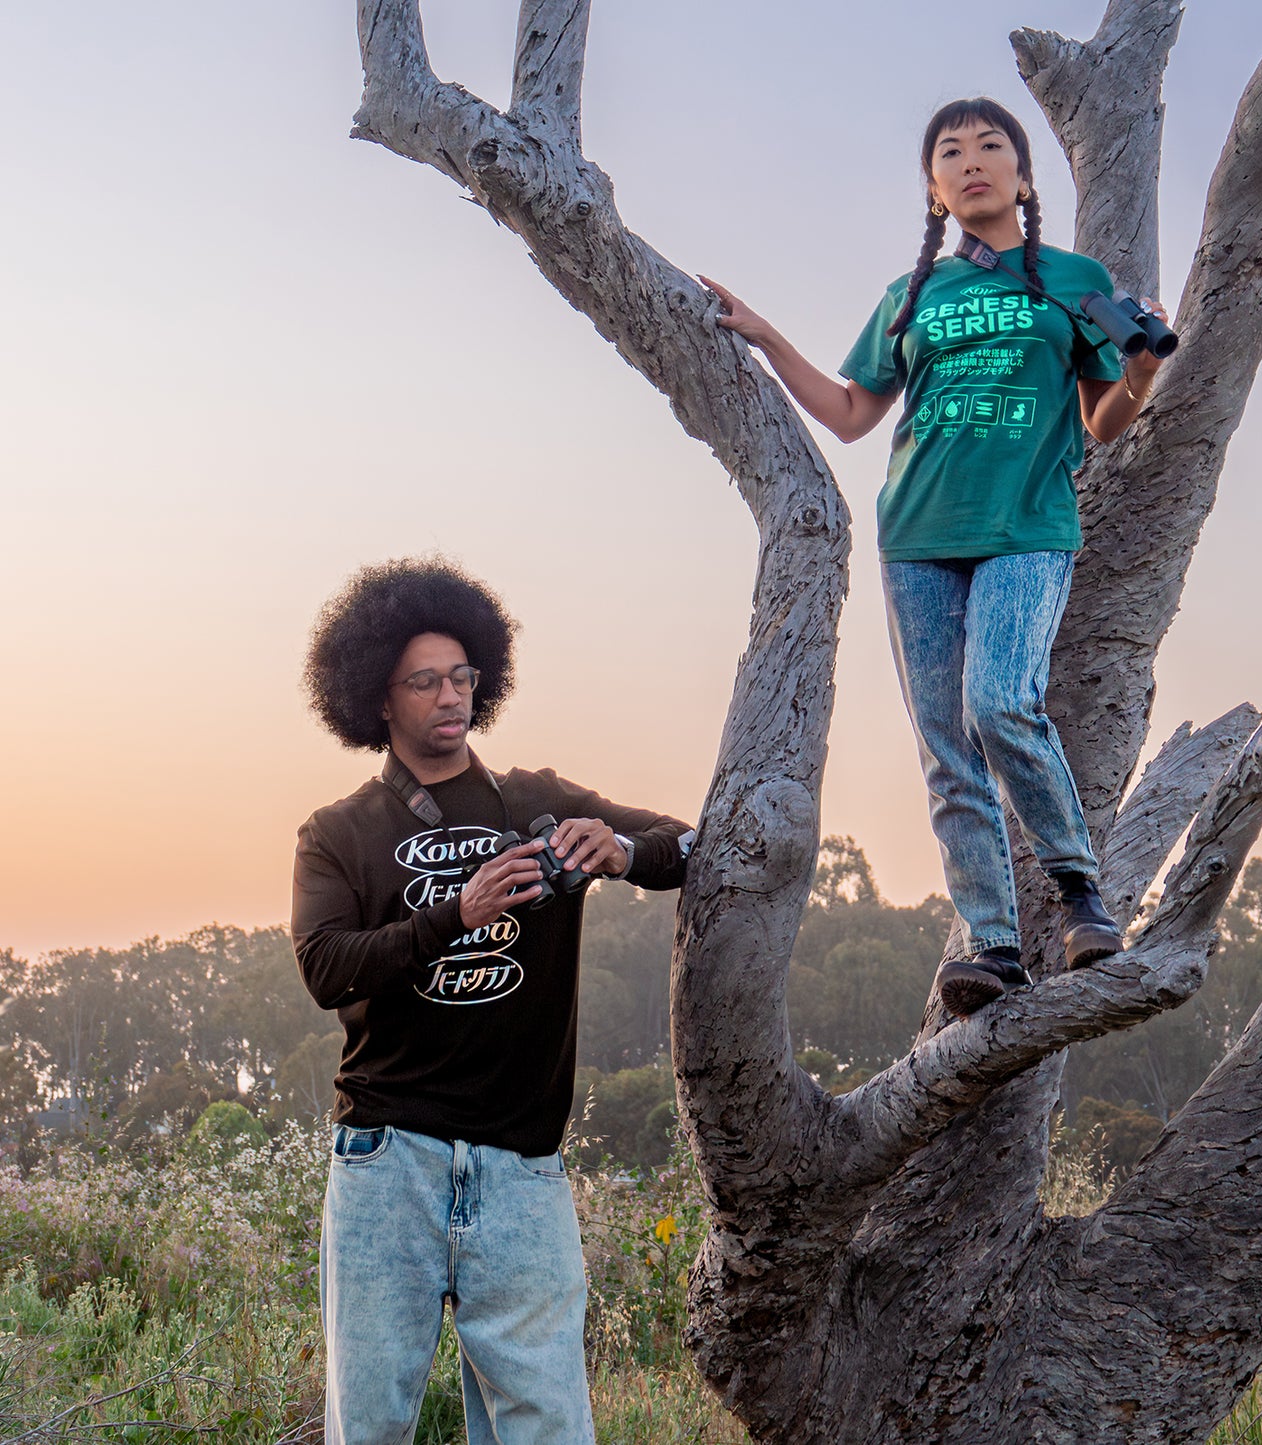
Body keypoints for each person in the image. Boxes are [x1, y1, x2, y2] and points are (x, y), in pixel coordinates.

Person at [701, 97, 1171, 1020]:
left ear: (1022, 177)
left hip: (1026, 527)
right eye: (948, 152)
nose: (970, 162)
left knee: (999, 702)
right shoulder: (911, 295)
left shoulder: (1075, 280)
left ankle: (1079, 893)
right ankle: (993, 946)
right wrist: (764, 336)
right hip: (916, 535)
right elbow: (848, 414)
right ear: (933, 188)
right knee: (946, 747)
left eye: (990, 147)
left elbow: (1100, 423)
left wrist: (1145, 372)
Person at [291, 556, 693, 1444]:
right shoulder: (338, 832)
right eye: (424, 680)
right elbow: (325, 968)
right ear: (378, 699)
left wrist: (622, 850)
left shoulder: (539, 799)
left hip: (522, 1165)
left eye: (462, 675)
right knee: (371, 1424)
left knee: (547, 1424)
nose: (449, 694)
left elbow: (693, 842)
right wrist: (457, 912)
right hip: (386, 1156)